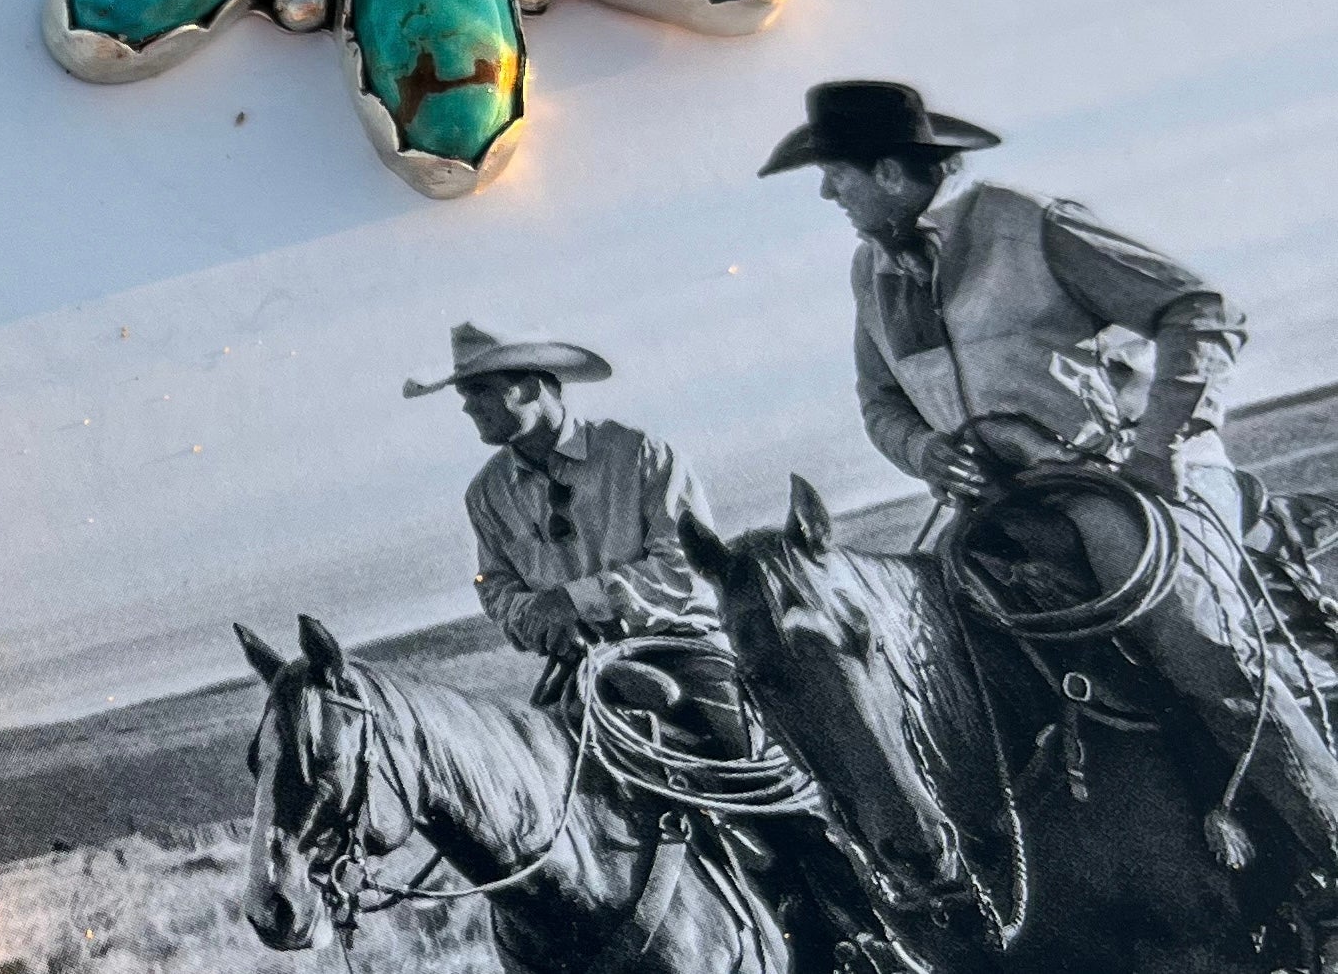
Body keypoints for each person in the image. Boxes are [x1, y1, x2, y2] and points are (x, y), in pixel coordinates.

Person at [760, 77, 1338, 953]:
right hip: (999, 508)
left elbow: (1199, 311)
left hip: (1129, 482)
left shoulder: (1028, 222)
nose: (826, 194)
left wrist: (1159, 446)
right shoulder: (870, 269)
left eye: (833, 174)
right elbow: (879, 401)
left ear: (887, 171)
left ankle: (1327, 849)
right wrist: (925, 452)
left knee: (1203, 651)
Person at [404, 322, 747, 754]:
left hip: (680, 650)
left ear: (530, 388)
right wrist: (533, 616)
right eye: (465, 394)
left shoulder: (641, 455)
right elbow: (493, 585)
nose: (468, 407)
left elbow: (684, 567)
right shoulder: (487, 494)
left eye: (480, 390)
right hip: (579, 670)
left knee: (738, 760)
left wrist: (574, 601)